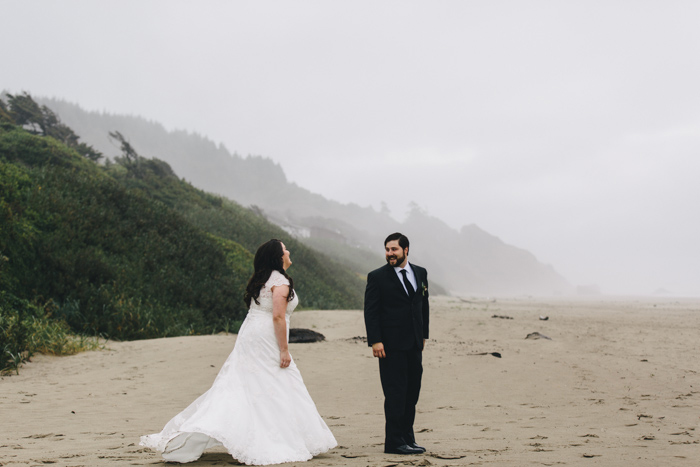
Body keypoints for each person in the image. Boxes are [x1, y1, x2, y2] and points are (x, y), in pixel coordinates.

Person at [140, 239, 337, 465]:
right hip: (266, 336)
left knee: (247, 381)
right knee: (278, 378)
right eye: (285, 249)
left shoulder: (262, 279)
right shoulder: (280, 281)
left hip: (251, 333)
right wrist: (284, 349)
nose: (288, 251)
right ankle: (272, 437)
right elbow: (278, 316)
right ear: (278, 256)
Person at [364, 232, 430, 455]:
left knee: (412, 393)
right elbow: (371, 311)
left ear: (406, 250)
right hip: (389, 346)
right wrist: (375, 340)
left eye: (394, 249)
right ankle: (393, 442)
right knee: (395, 394)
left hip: (414, 344)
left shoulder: (420, 273)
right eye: (387, 249)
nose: (389, 254)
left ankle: (407, 438)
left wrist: (423, 335)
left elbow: (423, 305)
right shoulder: (377, 277)